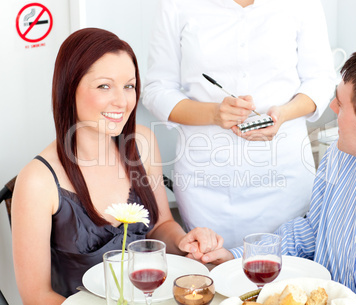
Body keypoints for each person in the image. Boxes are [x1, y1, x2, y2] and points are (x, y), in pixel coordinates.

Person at [11, 28, 223, 304]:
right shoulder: (37, 181)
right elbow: (36, 296)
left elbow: (160, 225)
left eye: (129, 86)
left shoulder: (142, 143)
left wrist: (183, 242)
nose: (122, 101)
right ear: (68, 88)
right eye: (104, 86)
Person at [202, 43, 356, 305]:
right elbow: (311, 231)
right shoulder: (339, 160)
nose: (331, 106)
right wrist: (236, 257)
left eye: (341, 106)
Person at [142, 0, 336, 248]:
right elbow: (157, 89)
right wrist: (213, 114)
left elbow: (320, 79)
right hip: (207, 184)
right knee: (212, 270)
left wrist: (284, 113)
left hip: (285, 178)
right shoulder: (177, 5)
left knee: (286, 269)